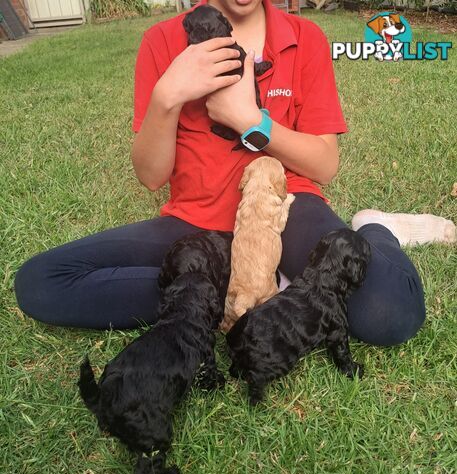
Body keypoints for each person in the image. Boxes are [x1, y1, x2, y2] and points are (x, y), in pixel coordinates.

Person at [14, 0, 455, 345]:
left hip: (283, 209)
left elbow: (324, 164)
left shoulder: (304, 37)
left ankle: (372, 227)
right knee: (41, 283)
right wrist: (167, 95)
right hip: (193, 221)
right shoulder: (162, 41)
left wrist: (251, 121)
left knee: (389, 311)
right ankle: (247, 287)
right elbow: (151, 176)